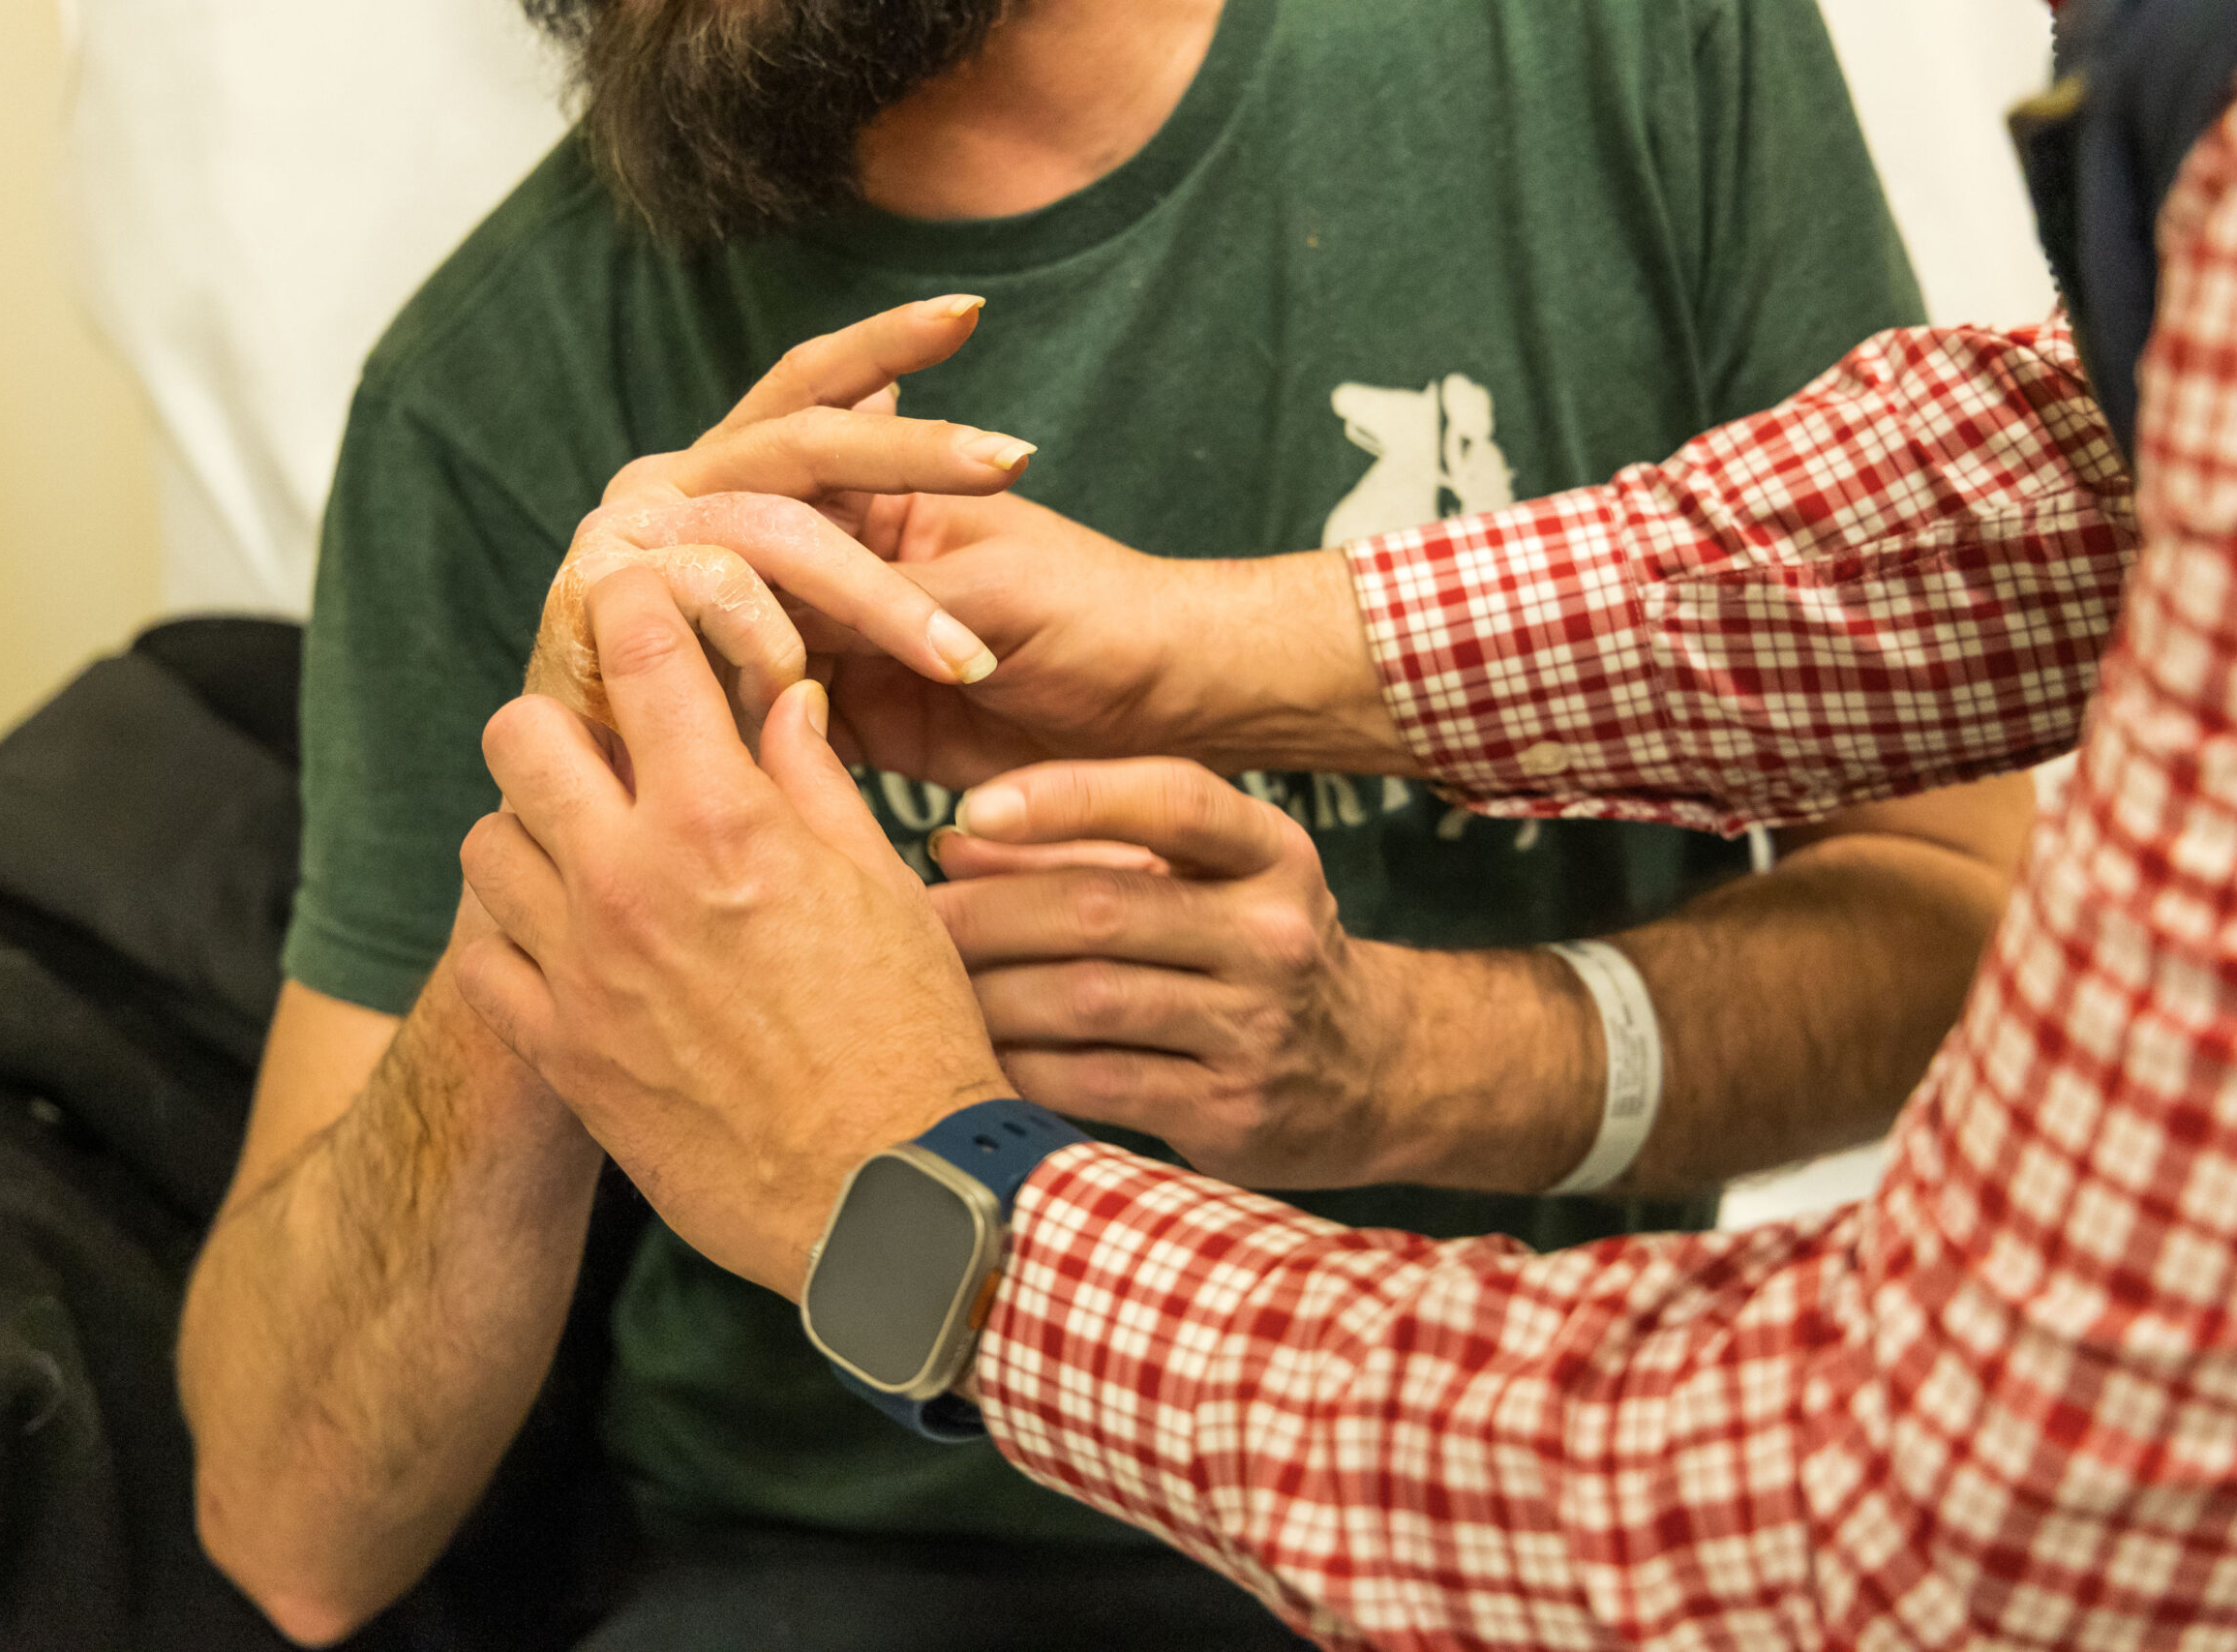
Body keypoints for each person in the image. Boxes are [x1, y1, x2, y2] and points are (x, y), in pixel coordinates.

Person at [179, 0, 2030, 1642]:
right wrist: (571, 885)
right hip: (843, 1579)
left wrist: (1409, 1059)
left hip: (1553, 1500)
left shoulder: (1625, 53)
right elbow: (295, 1528)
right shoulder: (493, 382)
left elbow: (1956, 915)